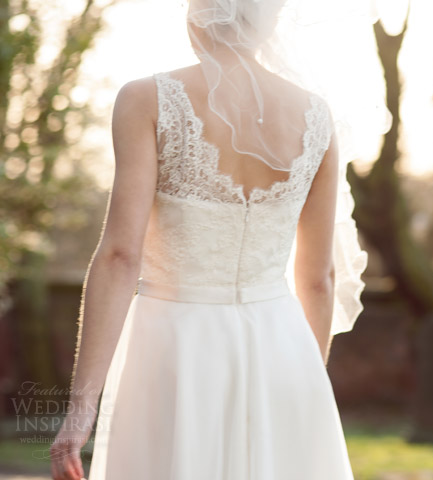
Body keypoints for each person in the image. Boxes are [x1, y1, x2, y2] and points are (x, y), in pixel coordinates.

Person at [50, 0, 377, 478]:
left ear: (197, 13)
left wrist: (79, 413)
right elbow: (320, 279)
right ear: (270, 22)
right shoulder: (316, 117)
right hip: (282, 344)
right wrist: (307, 381)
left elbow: (121, 255)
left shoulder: (147, 99)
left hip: (174, 344)